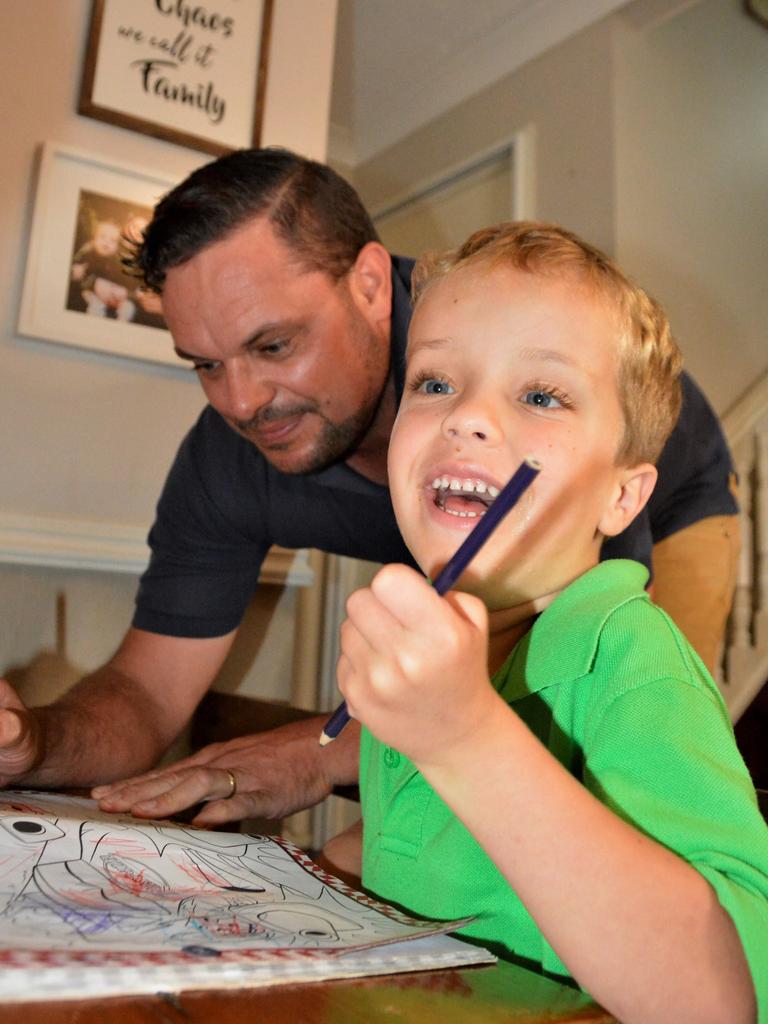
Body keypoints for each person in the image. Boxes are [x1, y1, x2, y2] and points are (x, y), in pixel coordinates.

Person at [0, 148, 738, 830]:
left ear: (372, 286)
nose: (242, 402)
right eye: (205, 363)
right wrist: (35, 743)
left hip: (665, 496)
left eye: (273, 345)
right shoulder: (225, 458)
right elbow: (150, 690)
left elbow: (557, 684)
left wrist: (320, 753)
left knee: (630, 759)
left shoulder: (530, 402)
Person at [337, 222, 768, 1023]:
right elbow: (413, 848)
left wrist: (463, 736)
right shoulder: (434, 650)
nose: (465, 417)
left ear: (624, 497)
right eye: (434, 383)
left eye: (540, 396)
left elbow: (725, 997)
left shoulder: (633, 663)